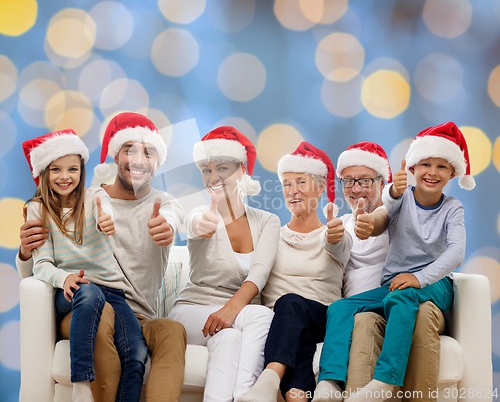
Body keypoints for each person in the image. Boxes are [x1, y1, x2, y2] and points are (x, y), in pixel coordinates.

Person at [17, 112, 187, 402]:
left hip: (136, 313)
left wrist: (167, 226)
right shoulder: (88, 199)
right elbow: (38, 269)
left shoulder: (164, 204)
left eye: (148, 152)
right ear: (114, 156)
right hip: (85, 306)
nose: (138, 160)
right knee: (101, 311)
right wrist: (24, 252)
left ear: (158, 160)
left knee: (172, 330)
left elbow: (173, 216)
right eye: (129, 150)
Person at [314, 122, 474, 402]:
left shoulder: (452, 208)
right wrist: (367, 224)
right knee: (341, 308)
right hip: (395, 286)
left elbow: (456, 253)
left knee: (401, 297)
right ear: (411, 168)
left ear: (452, 173)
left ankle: (386, 380)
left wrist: (419, 278)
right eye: (425, 164)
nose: (432, 172)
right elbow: (382, 216)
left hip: (434, 285)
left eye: (441, 166)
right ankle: (329, 382)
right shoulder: (400, 198)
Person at [22, 129, 148, 402]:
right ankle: (81, 385)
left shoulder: (94, 198)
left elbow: (107, 210)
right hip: (73, 290)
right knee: (89, 292)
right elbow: (41, 264)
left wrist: (108, 219)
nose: (65, 176)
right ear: (44, 173)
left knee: (136, 353)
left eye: (72, 169)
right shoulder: (37, 209)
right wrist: (64, 278)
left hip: (112, 292)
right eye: (56, 169)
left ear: (82, 170)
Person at [168, 126, 281, 402]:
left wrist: (229, 311)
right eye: (206, 170)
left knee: (229, 339)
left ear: (241, 169)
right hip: (192, 312)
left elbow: (260, 272)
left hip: (230, 320)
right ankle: (248, 396)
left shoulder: (267, 221)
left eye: (222, 168)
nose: (213, 177)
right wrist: (200, 224)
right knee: (262, 316)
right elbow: (193, 224)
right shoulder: (200, 213)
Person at [236, 141, 353, 402]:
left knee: (289, 303)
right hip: (280, 322)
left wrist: (333, 235)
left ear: (321, 187)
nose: (293, 191)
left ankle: (270, 378)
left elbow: (339, 246)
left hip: (321, 316)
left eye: (301, 182)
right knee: (292, 324)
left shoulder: (334, 232)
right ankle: (296, 397)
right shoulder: (271, 234)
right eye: (287, 184)